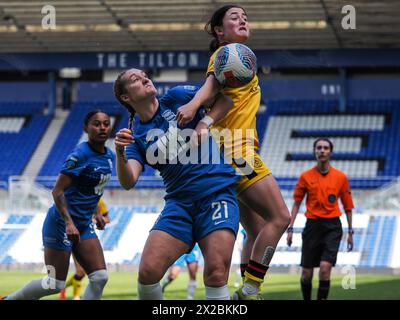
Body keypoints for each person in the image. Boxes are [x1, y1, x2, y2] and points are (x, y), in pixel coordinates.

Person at [175, 4, 290, 299]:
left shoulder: (241, 58)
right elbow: (210, 87)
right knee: (280, 218)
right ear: (219, 31)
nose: (243, 19)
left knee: (254, 229)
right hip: (237, 151)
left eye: (245, 16)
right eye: (234, 17)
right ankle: (251, 287)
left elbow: (219, 93)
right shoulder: (228, 55)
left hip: (228, 151)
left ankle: (246, 291)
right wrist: (193, 106)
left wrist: (204, 117)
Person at [113, 68, 240, 300]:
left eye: (144, 75)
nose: (144, 78)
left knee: (216, 274)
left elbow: (225, 99)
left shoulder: (177, 96)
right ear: (126, 97)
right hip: (179, 204)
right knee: (148, 272)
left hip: (216, 194)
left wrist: (204, 123)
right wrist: (119, 152)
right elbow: (129, 180)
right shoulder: (134, 136)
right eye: (135, 79)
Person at [4, 110, 114, 300]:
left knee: (100, 277)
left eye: (106, 123)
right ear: (86, 128)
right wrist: (69, 223)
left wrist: (97, 214)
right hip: (62, 223)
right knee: (54, 284)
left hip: (83, 224)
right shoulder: (80, 155)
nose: (102, 127)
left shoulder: (109, 156)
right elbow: (57, 191)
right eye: (96, 124)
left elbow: (93, 190)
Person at [287, 138, 355, 300]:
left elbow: (348, 207)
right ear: (315, 151)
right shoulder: (305, 177)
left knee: (325, 269)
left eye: (325, 148)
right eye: (319, 148)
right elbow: (296, 204)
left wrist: (351, 232)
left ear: (330, 152)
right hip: (312, 226)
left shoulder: (341, 177)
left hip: (332, 227)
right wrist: (290, 228)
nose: (322, 150)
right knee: (306, 273)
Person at [60, 198, 110, 300]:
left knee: (90, 274)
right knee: (80, 272)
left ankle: (63, 288)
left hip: (91, 237)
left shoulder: (98, 200)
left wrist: (97, 219)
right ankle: (76, 296)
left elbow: (107, 218)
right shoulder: (76, 196)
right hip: (76, 236)